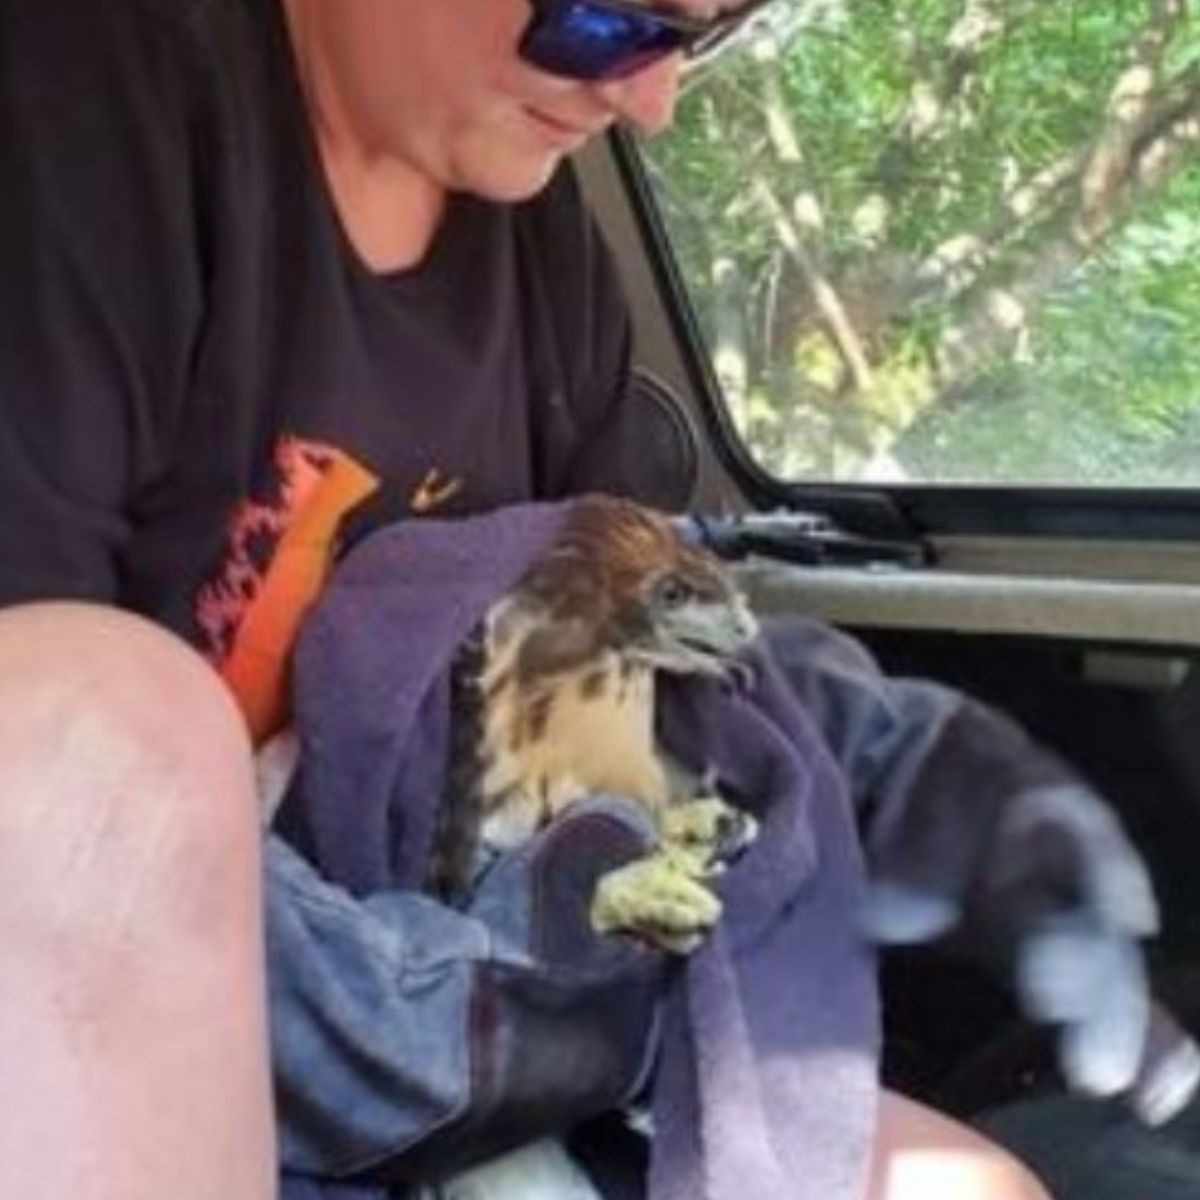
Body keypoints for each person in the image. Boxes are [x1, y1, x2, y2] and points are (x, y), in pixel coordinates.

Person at [0, 1, 1180, 1197]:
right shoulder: (88, 104)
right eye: (606, 18)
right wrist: (461, 1021)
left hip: (472, 986)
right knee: (92, 713)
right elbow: (52, 793)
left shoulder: (539, 241)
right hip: (145, 1031)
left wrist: (928, 786)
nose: (651, 102)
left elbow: (638, 656)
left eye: (701, 37)